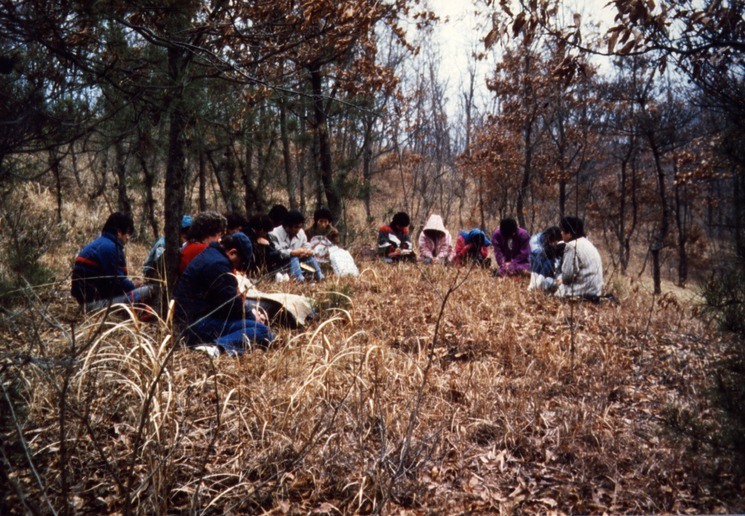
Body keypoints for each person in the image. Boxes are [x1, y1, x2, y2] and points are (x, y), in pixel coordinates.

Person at [174, 232, 273, 356]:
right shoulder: (218, 265)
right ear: (232, 253)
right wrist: (252, 316)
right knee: (263, 332)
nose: (238, 268)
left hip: (196, 320)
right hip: (197, 325)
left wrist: (249, 312)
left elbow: (226, 302)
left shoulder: (212, 255)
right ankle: (216, 348)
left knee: (255, 327)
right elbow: (230, 306)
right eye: (240, 263)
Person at [71, 212, 155, 312]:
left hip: (87, 302)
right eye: (127, 233)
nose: (128, 237)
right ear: (119, 232)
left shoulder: (99, 243)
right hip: (95, 305)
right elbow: (118, 285)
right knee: (150, 289)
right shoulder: (109, 248)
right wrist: (134, 284)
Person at [556, 216, 603, 300]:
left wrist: (560, 279)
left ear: (569, 234)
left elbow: (567, 277)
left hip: (582, 292)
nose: (561, 233)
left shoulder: (571, 246)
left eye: (562, 231)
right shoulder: (588, 243)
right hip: (595, 292)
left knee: (551, 286)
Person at [269, 210, 325, 281]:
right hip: (281, 264)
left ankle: (319, 275)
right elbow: (276, 253)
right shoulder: (274, 234)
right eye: (296, 227)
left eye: (300, 227)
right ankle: (299, 278)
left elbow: (306, 245)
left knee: (309, 257)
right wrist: (292, 253)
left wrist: (308, 251)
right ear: (287, 226)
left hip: (299, 262)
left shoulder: (300, 232)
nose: (298, 230)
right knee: (293, 257)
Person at [142, 214, 192, 280]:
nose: (186, 235)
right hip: (154, 278)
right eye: (184, 231)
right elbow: (158, 264)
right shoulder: (163, 244)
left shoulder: (181, 245)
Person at [528, 226, 564, 292]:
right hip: (548, 269)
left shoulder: (565, 245)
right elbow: (536, 253)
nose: (551, 244)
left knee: (549, 262)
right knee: (541, 256)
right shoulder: (538, 240)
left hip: (558, 274)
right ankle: (532, 285)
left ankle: (536, 285)